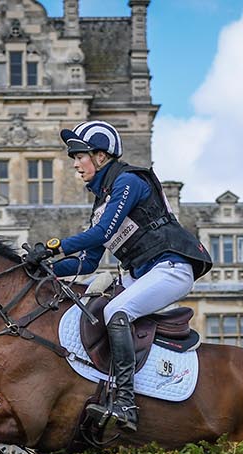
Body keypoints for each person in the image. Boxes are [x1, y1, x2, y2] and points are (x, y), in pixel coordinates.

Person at [25, 120, 212, 432]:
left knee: (115, 311)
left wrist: (51, 248)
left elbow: (102, 233)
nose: (75, 164)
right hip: (145, 274)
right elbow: (87, 263)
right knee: (91, 306)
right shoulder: (103, 202)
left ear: (101, 156)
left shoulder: (128, 182)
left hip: (171, 267)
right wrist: (42, 269)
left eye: (79, 156)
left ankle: (125, 400)